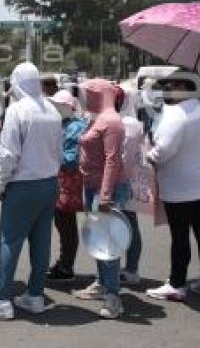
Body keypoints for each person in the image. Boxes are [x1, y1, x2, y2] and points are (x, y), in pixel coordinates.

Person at [0, 63, 62, 320]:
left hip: (24, 184)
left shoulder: (17, 110)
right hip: (49, 183)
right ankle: (35, 295)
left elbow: (9, 153)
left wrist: (0, 183)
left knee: (9, 240)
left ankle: (1, 300)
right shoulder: (52, 110)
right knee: (41, 241)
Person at [146, 79, 200, 302]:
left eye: (172, 86)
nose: (168, 91)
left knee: (180, 235)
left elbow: (163, 151)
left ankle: (177, 284)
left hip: (181, 185)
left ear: (186, 89)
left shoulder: (177, 114)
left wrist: (149, 156)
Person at [72, 78, 127, 319]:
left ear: (99, 94)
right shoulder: (96, 118)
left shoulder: (112, 121)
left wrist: (105, 196)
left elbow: (113, 160)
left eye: (87, 93)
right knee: (97, 240)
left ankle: (114, 296)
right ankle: (102, 283)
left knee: (108, 243)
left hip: (106, 190)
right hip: (92, 187)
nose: (83, 97)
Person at [46, 89, 87, 283]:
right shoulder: (64, 124)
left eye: (58, 105)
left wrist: (50, 155)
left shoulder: (75, 127)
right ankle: (64, 262)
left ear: (68, 107)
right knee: (63, 223)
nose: (54, 107)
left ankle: (66, 266)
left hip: (68, 181)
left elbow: (71, 159)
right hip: (61, 180)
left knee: (66, 224)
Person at [116, 85, 144, 286]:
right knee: (130, 224)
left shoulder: (126, 123)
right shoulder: (136, 123)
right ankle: (131, 267)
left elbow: (121, 156)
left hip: (121, 181)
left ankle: (129, 269)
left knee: (124, 225)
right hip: (132, 179)